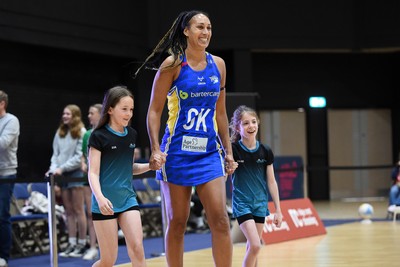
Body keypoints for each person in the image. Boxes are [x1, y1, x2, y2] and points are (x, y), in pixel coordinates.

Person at [136, 10, 237, 267]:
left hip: (208, 153)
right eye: (200, 27)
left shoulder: (219, 65)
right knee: (178, 223)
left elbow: (221, 112)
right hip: (177, 153)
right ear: (186, 31)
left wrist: (228, 152)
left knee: (221, 220)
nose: (206, 33)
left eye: (209, 28)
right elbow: (154, 111)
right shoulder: (172, 64)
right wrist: (156, 148)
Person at [87, 86, 164, 267]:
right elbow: (93, 172)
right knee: (108, 260)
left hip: (128, 199)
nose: (128, 114)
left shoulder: (131, 135)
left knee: (137, 248)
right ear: (110, 109)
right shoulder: (98, 136)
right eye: (124, 109)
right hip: (105, 203)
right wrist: (100, 198)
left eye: (131, 110)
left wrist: (150, 166)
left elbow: (129, 168)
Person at [229, 105, 283, 267]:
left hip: (260, 204)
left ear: (258, 123)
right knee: (255, 245)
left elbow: (271, 181)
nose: (251, 126)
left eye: (253, 122)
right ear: (238, 127)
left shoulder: (265, 151)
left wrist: (278, 210)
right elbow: (224, 176)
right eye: (245, 123)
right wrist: (229, 168)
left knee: (252, 248)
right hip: (242, 204)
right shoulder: (233, 150)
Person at [45, 104, 88, 258]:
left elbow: (79, 157)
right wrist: (53, 169)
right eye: (64, 113)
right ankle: (72, 242)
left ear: (75, 115)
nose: (65, 116)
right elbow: (55, 154)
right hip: (62, 174)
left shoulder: (81, 132)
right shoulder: (60, 132)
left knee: (78, 209)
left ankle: (82, 243)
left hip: (74, 174)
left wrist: (61, 169)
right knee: (68, 210)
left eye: (68, 114)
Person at [0, 90, 20, 267]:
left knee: (2, 214)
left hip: (6, 173)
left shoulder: (11, 121)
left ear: (2, 104)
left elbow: (3, 143)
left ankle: (4, 256)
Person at [81, 103, 102, 260]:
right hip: (90, 178)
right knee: (91, 212)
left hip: (106, 177)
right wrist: (83, 163)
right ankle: (93, 246)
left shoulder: (108, 132)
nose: (89, 116)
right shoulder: (87, 135)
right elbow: (83, 154)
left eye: (92, 113)